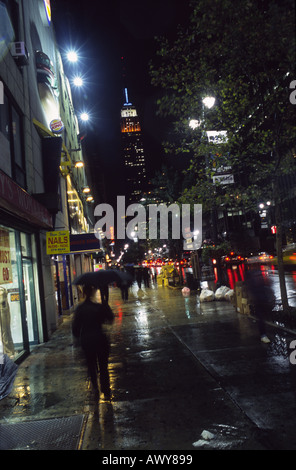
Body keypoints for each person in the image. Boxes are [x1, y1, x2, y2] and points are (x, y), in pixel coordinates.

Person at [72, 285, 114, 400]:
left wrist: (78, 339)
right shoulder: (99, 307)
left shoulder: (80, 309)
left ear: (84, 293)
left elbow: (75, 329)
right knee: (103, 367)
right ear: (92, 292)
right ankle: (106, 390)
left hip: (87, 341)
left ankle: (95, 387)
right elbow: (110, 319)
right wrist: (105, 306)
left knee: (91, 366)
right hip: (100, 339)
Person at [244, 268, 275, 343]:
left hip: (260, 300)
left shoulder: (252, 278)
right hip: (261, 300)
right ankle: (263, 335)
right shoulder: (258, 277)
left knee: (262, 318)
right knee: (262, 318)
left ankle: (263, 334)